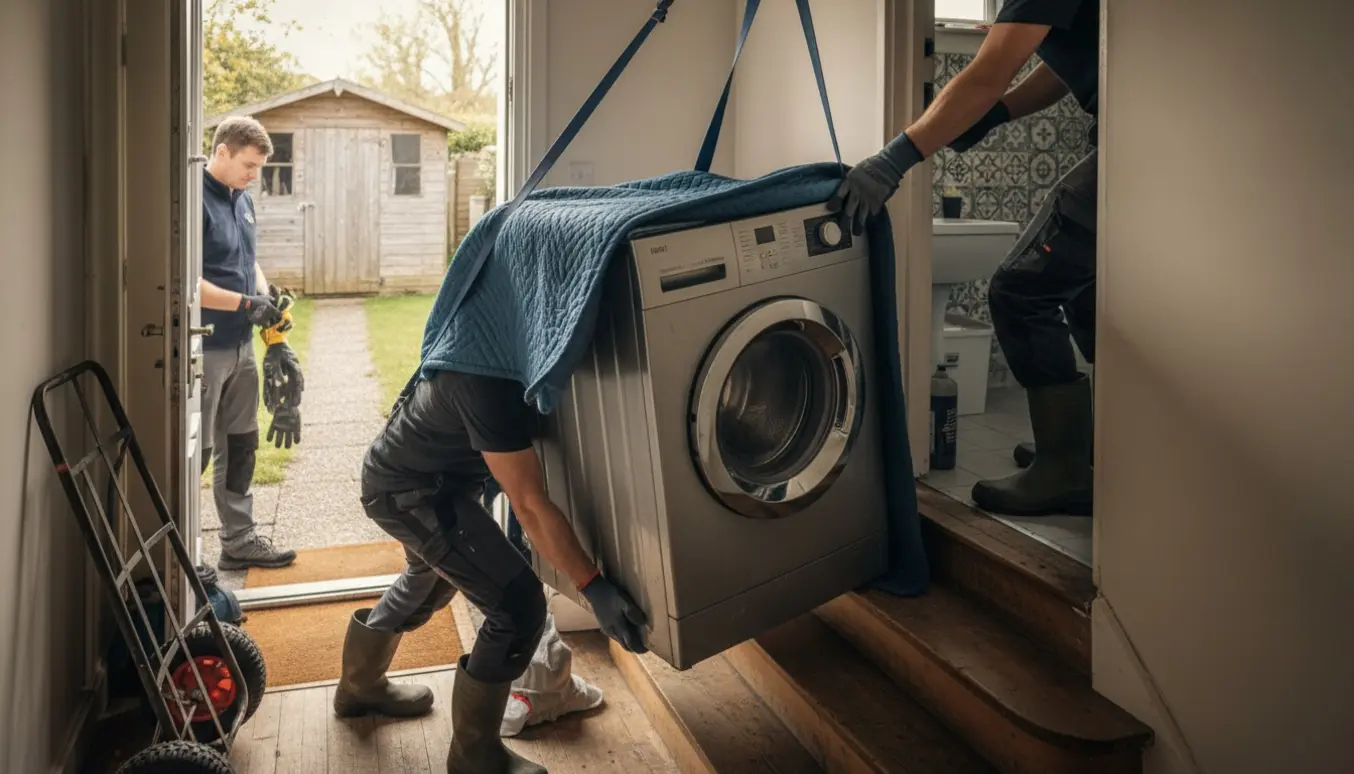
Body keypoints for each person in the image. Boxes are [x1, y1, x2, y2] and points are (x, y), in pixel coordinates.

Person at [828, 0, 1099, 516]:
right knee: (1087, 294)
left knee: (1021, 290)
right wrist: (1001, 113)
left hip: (1140, 140)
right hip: (1147, 134)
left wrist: (895, 159)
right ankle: (1084, 450)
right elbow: (1071, 64)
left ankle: (1065, 469)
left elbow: (985, 73)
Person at [336, 369, 647, 774]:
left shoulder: (481, 353)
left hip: (406, 475)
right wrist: (592, 584)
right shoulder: (487, 383)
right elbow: (530, 506)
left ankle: (359, 686)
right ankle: (474, 755)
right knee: (517, 607)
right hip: (411, 492)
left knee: (429, 578)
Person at [199, 116, 299, 569]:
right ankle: (176, 551)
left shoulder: (243, 201)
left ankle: (238, 541)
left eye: (259, 166)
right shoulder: (192, 200)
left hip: (242, 348)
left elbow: (249, 261)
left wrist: (264, 299)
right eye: (249, 164)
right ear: (221, 151)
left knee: (240, 446)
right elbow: (185, 283)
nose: (254, 174)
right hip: (206, 347)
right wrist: (245, 304)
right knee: (194, 452)